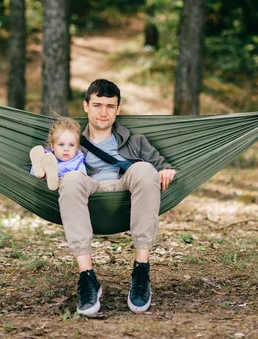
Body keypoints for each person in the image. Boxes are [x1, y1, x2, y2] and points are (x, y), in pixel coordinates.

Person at [59, 79, 176, 315]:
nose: (103, 113)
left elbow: (162, 165)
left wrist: (166, 170)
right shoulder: (71, 142)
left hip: (124, 188)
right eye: (97, 105)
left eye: (110, 106)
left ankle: (141, 270)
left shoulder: (135, 141)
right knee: (70, 179)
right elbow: (48, 166)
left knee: (145, 169)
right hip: (89, 189)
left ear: (118, 109)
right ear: (86, 106)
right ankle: (87, 277)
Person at [30, 119, 87, 190]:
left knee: (72, 179)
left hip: (64, 188)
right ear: (52, 146)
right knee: (40, 168)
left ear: (77, 148)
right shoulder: (48, 157)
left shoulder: (78, 164)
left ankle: (54, 180)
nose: (66, 149)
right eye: (61, 144)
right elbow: (32, 177)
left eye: (71, 145)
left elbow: (83, 181)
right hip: (43, 184)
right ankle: (41, 170)